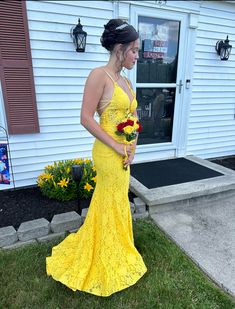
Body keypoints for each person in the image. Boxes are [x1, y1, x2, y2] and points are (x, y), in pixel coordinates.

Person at [46, 19, 147, 297]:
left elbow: (133, 116)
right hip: (107, 151)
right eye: (134, 51)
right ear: (119, 48)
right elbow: (85, 118)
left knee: (118, 200)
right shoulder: (98, 76)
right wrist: (116, 146)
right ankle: (104, 252)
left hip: (124, 152)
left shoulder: (125, 81)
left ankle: (118, 246)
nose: (136, 56)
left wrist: (132, 146)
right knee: (108, 200)